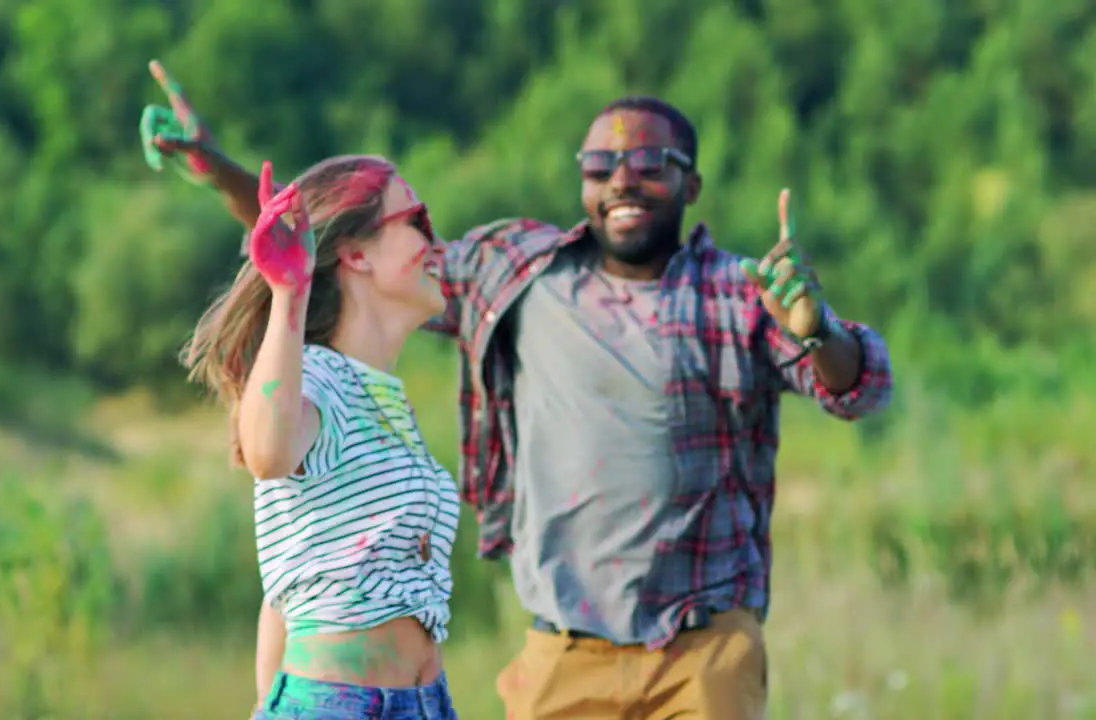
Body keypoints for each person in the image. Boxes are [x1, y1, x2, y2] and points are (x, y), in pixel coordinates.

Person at [144, 61, 893, 719]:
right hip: (563, 651)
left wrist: (818, 328)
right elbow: (338, 239)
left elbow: (857, 388)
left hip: (703, 651)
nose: (623, 178)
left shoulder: (738, 294)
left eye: (650, 161)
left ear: (692, 183)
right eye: (602, 163)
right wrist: (223, 176)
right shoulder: (516, 274)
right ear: (582, 179)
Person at [172, 146, 461, 719]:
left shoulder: (384, 397)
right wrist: (289, 293)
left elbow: (295, 579)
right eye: (417, 222)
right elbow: (267, 453)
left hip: (423, 704)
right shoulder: (317, 377)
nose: (438, 243)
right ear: (356, 253)